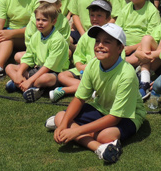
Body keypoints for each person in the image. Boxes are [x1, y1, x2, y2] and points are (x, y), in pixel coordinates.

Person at [49, 23, 145, 164]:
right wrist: (64, 124)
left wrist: (76, 131)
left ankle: (90, 137)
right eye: (98, 41)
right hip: (101, 108)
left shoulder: (127, 74)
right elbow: (79, 98)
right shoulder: (93, 64)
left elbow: (115, 118)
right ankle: (99, 148)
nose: (100, 45)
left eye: (107, 42)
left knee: (105, 135)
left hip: (129, 115)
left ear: (120, 48)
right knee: (60, 117)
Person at [5, 2, 69, 102]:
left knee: (44, 79)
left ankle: (24, 85)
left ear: (54, 21)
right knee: (9, 67)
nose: (40, 22)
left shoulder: (57, 40)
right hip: (37, 68)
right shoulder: (36, 36)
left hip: (53, 73)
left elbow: (49, 66)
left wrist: (30, 80)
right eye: (38, 19)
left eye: (44, 20)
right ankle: (26, 85)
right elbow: (28, 56)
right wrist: (19, 73)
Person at [53, 0, 113, 103]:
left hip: (103, 71)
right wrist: (80, 66)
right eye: (92, 15)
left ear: (108, 18)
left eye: (99, 16)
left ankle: (65, 90)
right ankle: (91, 89)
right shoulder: (86, 36)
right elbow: (78, 56)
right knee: (62, 76)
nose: (94, 19)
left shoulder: (113, 36)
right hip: (83, 69)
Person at [116, 0, 160, 66]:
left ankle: (121, 62)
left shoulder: (152, 11)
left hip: (141, 48)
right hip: (124, 47)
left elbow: (152, 38)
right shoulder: (126, 8)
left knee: (141, 55)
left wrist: (132, 48)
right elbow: (118, 29)